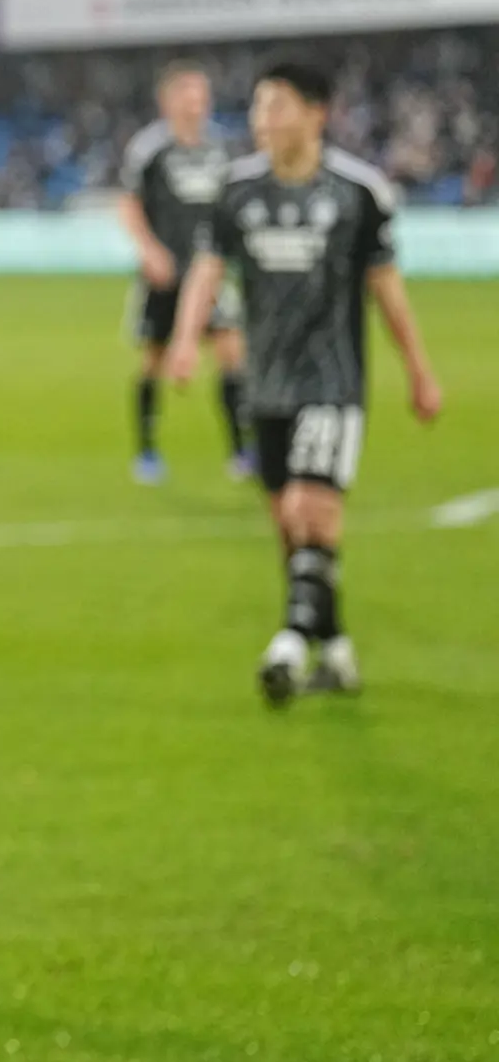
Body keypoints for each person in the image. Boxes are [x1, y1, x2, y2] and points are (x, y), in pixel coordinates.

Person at [169, 58, 441, 708]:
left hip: (333, 382)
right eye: (258, 107)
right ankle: (336, 650)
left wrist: (418, 369)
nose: (262, 119)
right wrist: (184, 338)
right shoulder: (237, 190)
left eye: (277, 105)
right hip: (266, 384)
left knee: (308, 508)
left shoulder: (357, 193)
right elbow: (208, 269)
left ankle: (289, 644)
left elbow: (386, 287)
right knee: (290, 528)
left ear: (317, 113)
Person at [117, 60, 251, 484]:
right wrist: (149, 250)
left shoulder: (222, 147)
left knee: (231, 351)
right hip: (165, 273)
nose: (198, 104)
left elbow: (234, 204)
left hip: (210, 272)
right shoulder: (149, 149)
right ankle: (147, 451)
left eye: (202, 95)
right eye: (189, 95)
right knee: (153, 360)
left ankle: (241, 450)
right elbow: (128, 203)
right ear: (169, 100)